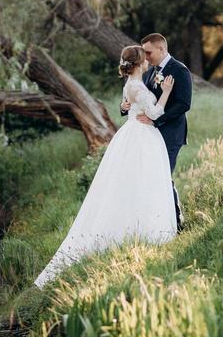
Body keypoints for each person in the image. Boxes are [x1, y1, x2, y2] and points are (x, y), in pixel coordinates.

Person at [33, 45, 177, 289]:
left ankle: (139, 229)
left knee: (133, 184)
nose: (147, 62)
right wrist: (165, 92)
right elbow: (154, 112)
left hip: (134, 135)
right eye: (145, 59)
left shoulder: (130, 85)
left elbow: (127, 105)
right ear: (141, 63)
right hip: (142, 138)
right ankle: (146, 231)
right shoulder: (139, 87)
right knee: (144, 182)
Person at [120, 33, 192, 230]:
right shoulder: (150, 71)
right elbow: (137, 97)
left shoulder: (179, 70)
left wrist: (156, 119)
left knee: (162, 177)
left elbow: (184, 104)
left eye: (149, 52)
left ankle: (176, 222)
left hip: (170, 133)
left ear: (161, 49)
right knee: (149, 177)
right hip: (148, 135)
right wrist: (124, 106)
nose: (146, 56)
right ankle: (150, 223)